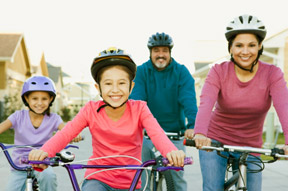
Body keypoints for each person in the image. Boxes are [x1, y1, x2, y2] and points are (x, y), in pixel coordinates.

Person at [28, 47, 186, 191]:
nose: (115, 90)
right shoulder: (90, 109)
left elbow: (157, 134)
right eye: (108, 83)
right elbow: (66, 133)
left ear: (131, 87)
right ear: (98, 88)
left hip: (133, 181)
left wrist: (171, 152)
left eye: (122, 83)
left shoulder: (140, 109)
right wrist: (44, 152)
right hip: (98, 178)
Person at [193, 14, 288, 191]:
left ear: (260, 46)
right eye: (239, 45)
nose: (245, 51)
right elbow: (206, 103)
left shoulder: (272, 74)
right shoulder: (218, 71)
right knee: (213, 188)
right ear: (230, 48)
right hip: (215, 142)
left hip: (250, 146)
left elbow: (284, 107)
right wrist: (200, 133)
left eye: (251, 45)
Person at [129, 32, 198, 191]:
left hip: (174, 134)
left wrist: (192, 125)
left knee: (177, 178)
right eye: (156, 51)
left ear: (170, 52)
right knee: (143, 177)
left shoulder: (181, 72)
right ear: (150, 52)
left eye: (164, 51)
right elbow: (138, 101)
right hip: (146, 134)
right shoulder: (141, 72)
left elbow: (188, 99)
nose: (161, 55)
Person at [0, 76, 75, 191]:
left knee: (49, 177)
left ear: (50, 99)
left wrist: (74, 134)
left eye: (44, 99)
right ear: (27, 98)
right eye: (34, 98)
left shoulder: (54, 118)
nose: (39, 103)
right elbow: (2, 127)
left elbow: (66, 131)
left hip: (42, 163)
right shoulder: (18, 116)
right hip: (19, 166)